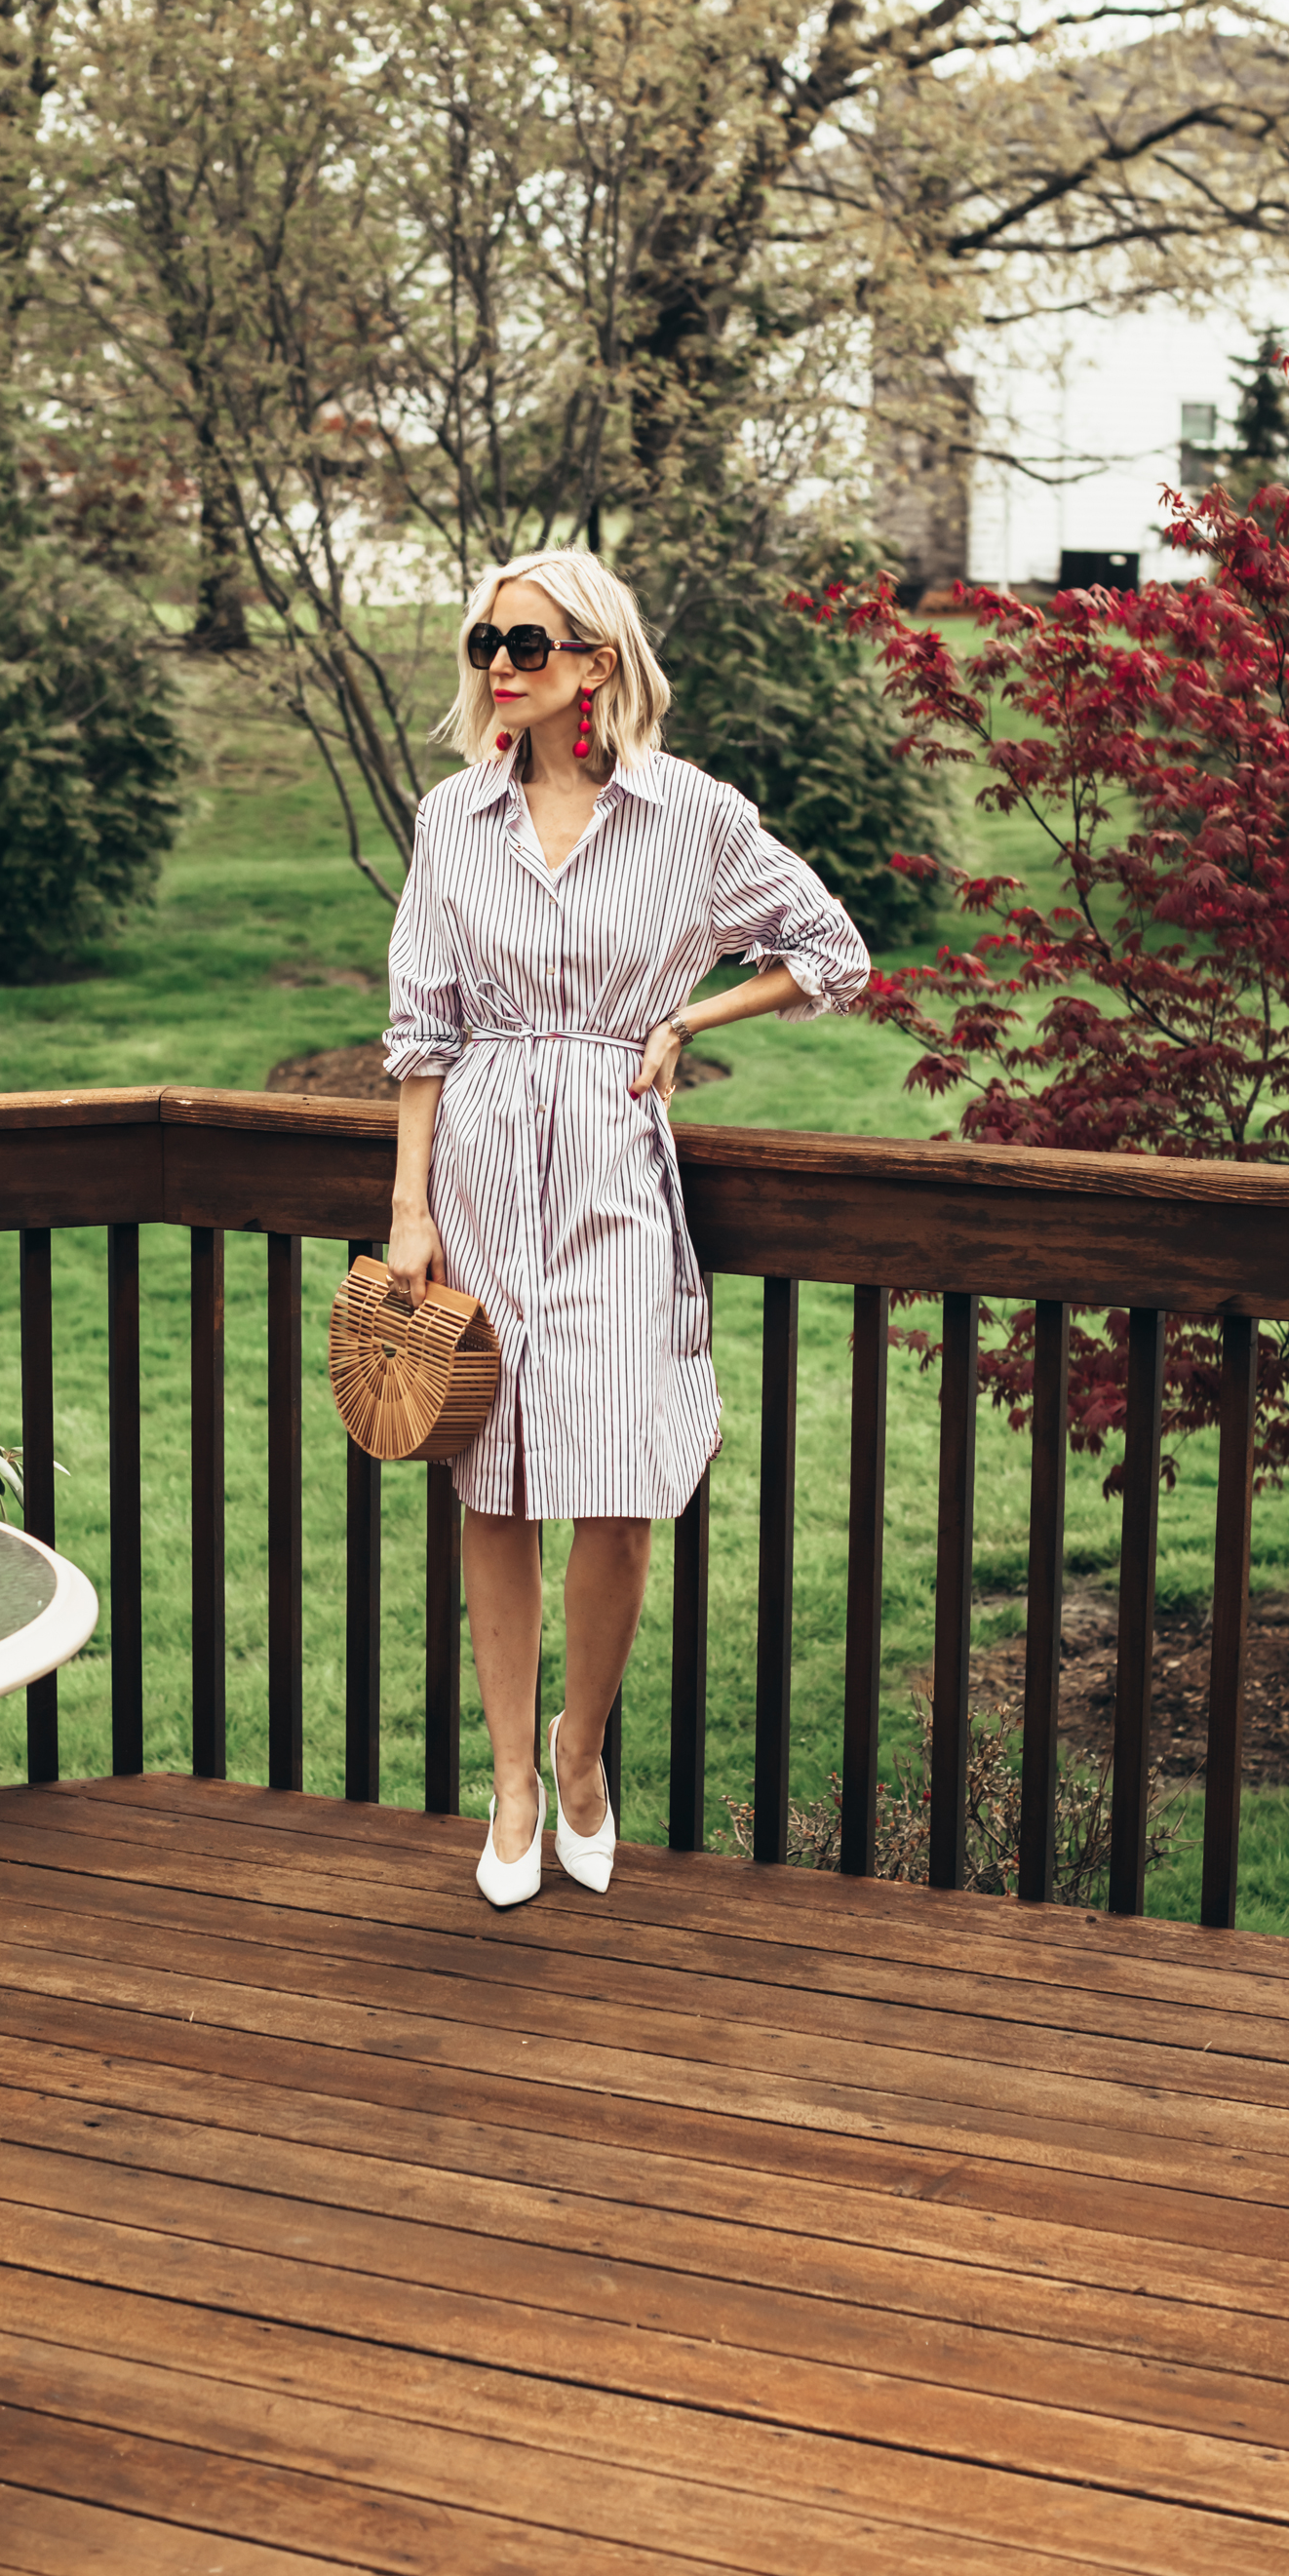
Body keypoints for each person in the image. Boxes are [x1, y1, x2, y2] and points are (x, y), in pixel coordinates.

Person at [383, 548, 870, 1907]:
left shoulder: (690, 818)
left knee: (616, 1489)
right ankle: (511, 1783)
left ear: (594, 662)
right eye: (486, 640)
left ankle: (581, 1751)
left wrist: (689, 1014)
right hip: (480, 1166)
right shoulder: (450, 821)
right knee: (491, 1480)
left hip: (611, 1165)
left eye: (526, 643)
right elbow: (421, 1032)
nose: (498, 665)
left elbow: (832, 951)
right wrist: (410, 1214)